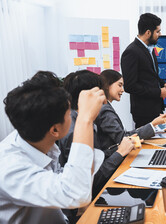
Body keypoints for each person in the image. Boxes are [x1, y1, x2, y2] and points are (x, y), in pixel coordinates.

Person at [0, 71, 106, 223]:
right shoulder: (9, 168)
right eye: (70, 114)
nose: (73, 116)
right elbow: (75, 193)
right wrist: (85, 119)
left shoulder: (37, 138)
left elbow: (70, 182)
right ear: (55, 130)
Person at [57, 70, 134, 200]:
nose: (104, 101)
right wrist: (119, 153)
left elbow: (98, 158)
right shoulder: (75, 131)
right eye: (100, 94)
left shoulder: (81, 120)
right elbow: (91, 181)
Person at [96, 69, 166, 154]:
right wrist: (153, 124)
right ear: (107, 85)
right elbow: (123, 139)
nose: (122, 90)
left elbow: (122, 135)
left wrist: (153, 124)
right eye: (119, 85)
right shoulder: (105, 110)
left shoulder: (105, 107)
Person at [121, 13, 166, 128]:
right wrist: (158, 92)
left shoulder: (149, 49)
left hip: (155, 109)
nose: (160, 34)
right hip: (143, 113)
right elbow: (130, 86)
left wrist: (163, 83)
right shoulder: (131, 52)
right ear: (148, 32)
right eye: (158, 31)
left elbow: (151, 74)